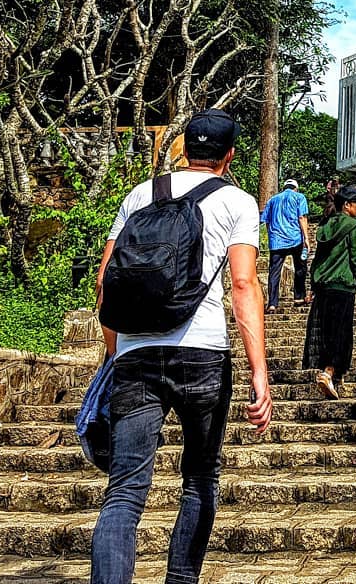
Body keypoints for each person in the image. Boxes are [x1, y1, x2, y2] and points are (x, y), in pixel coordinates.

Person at [92, 108, 272, 584]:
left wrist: (117, 352)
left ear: (184, 148)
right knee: (199, 479)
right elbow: (242, 284)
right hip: (203, 352)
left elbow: (104, 280)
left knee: (125, 492)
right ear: (230, 156)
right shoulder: (237, 201)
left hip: (135, 353)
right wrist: (259, 371)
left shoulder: (141, 194)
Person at [303, 184, 356, 399]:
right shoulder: (353, 226)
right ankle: (329, 371)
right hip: (343, 284)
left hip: (323, 285)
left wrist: (312, 284)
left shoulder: (325, 225)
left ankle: (333, 373)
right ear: (347, 205)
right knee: (341, 332)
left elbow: (318, 258)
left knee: (327, 330)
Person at [261, 178, 310, 312]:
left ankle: (272, 303)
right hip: (295, 239)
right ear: (296, 188)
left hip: (277, 241)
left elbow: (266, 220)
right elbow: (302, 217)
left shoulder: (272, 200)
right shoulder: (299, 197)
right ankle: (299, 297)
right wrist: (306, 238)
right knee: (300, 267)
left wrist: (271, 235)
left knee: (274, 272)